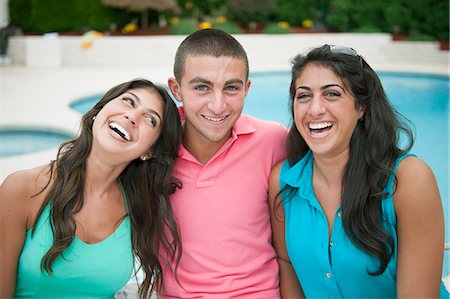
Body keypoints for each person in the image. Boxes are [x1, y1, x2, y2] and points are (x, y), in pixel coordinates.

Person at [269, 44, 449, 298]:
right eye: (304, 95)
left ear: (361, 107)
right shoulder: (284, 181)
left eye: (332, 94)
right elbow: (286, 264)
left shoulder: (408, 179)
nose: (315, 109)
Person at [0, 78, 182, 299]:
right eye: (128, 101)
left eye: (150, 119)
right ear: (100, 110)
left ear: (149, 151)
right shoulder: (23, 188)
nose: (132, 117)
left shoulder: (140, 207)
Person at [158, 29, 287, 298]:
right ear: (176, 89)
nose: (218, 106)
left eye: (231, 88)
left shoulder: (274, 141)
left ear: (247, 89)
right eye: (202, 87)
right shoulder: (153, 149)